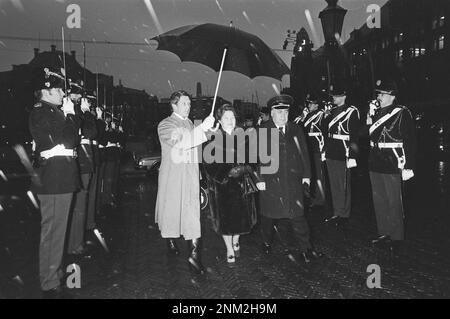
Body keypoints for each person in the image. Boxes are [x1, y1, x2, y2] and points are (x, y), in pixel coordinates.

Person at [29, 66, 80, 298]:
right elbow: (67, 139)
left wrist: (68, 116)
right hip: (53, 179)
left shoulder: (53, 111)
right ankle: (49, 279)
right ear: (47, 91)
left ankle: (55, 271)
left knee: (58, 230)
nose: (63, 94)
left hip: (60, 177)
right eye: (59, 90)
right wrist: (70, 115)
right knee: (52, 232)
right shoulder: (41, 112)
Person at [255, 94, 323, 263]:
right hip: (271, 182)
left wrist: (307, 176)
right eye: (279, 113)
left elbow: (304, 155)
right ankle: (266, 241)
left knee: (298, 216)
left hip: (293, 181)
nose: (283, 116)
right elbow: (258, 159)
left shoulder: (296, 129)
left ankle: (306, 248)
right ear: (272, 113)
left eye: (285, 112)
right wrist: (260, 179)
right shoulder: (263, 130)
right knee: (269, 216)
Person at [155, 90, 215, 274]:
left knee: (192, 215)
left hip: (189, 176)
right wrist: (201, 129)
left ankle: (194, 258)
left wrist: (208, 132)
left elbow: (194, 147)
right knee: (172, 213)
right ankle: (170, 239)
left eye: (189, 104)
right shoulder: (165, 124)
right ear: (174, 105)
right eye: (184, 103)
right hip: (173, 177)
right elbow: (180, 142)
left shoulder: (189, 123)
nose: (188, 107)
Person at [367, 79, 417, 256]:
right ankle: (384, 233)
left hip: (392, 162)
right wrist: (371, 116)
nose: (379, 97)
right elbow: (370, 135)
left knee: (394, 201)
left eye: (382, 94)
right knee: (379, 201)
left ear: (392, 96)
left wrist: (409, 166)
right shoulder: (375, 112)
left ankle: (396, 237)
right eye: (378, 94)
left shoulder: (402, 113)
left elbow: (410, 141)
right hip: (376, 161)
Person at [204, 104, 257, 263]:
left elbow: (253, 158)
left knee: (242, 219)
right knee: (225, 220)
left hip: (242, 185)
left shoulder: (243, 136)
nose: (230, 120)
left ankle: (236, 241)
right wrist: (226, 173)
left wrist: (245, 168)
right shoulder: (213, 138)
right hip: (223, 187)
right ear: (219, 120)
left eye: (232, 117)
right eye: (226, 118)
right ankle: (229, 249)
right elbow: (208, 164)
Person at [66, 80, 97, 257]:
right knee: (77, 205)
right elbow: (91, 132)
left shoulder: (75, 110)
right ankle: (74, 244)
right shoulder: (73, 111)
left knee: (80, 204)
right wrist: (86, 113)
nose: (79, 97)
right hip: (77, 160)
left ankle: (76, 242)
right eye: (76, 93)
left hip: (81, 160)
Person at [323, 84, 360, 227]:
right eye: (333, 96)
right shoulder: (331, 111)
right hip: (331, 150)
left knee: (343, 184)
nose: (333, 98)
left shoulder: (351, 111)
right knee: (334, 184)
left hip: (343, 150)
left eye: (336, 96)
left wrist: (352, 156)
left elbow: (354, 135)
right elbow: (326, 132)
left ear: (343, 97)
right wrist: (326, 116)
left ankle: (344, 214)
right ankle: (337, 212)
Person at [299, 93, 327, 208]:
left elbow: (325, 132)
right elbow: (300, 128)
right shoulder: (306, 115)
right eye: (308, 103)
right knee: (312, 175)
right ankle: (313, 197)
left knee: (319, 176)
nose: (308, 105)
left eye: (310, 103)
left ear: (316, 105)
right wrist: (303, 116)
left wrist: (324, 149)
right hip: (309, 149)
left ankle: (320, 199)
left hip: (317, 149)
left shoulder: (321, 115)